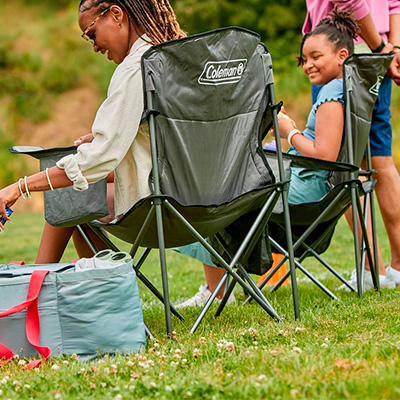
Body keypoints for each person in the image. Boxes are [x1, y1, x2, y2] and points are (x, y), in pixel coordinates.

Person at [175, 7, 380, 309]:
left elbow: (324, 155)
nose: (308, 65)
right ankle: (225, 281)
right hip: (319, 187)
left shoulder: (332, 96)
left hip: (306, 191)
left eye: (316, 57)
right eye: (304, 59)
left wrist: (288, 132)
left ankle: (218, 289)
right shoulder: (349, 88)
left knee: (214, 191)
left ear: (342, 55)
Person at [0, 0, 185, 263]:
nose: (95, 46)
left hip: (165, 207)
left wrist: (18, 187)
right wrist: (125, 138)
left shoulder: (137, 68)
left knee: (71, 196)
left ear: (117, 14)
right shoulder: (181, 59)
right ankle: (58, 283)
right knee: (81, 189)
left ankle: (40, 287)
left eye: (91, 33)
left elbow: (95, 161)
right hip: (216, 203)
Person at [304, 0, 400, 291]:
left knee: (344, 164)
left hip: (342, 53)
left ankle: (372, 270)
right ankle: (396, 268)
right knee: (380, 159)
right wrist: (392, 47)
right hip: (376, 48)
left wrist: (380, 48)